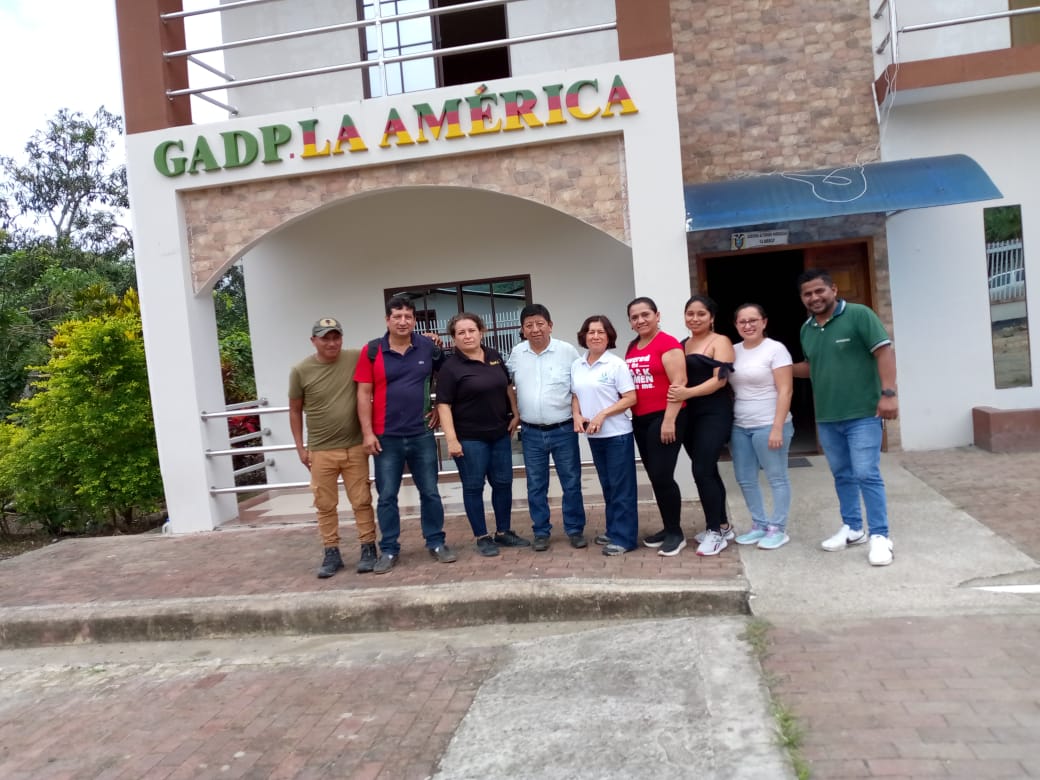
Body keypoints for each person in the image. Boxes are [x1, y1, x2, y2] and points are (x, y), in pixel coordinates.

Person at [794, 268, 898, 567]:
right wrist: (776, 368)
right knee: (842, 474)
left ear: (834, 290)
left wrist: (889, 394)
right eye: (807, 294)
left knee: (866, 473)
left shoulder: (859, 315)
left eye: (819, 291)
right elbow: (813, 367)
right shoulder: (807, 329)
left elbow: (884, 353)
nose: (814, 297)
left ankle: (880, 535)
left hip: (863, 412)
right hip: (828, 416)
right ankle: (853, 528)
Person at [354, 295, 457, 573]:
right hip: (385, 436)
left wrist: (439, 407)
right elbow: (363, 394)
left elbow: (448, 378)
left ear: (414, 320)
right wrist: (367, 433)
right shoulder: (372, 351)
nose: (403, 321)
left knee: (430, 492)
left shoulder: (428, 347)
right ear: (387, 320)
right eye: (397, 316)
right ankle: (389, 549)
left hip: (421, 434)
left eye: (408, 317)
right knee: (387, 495)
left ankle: (436, 542)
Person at [288, 317, 378, 578]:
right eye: (325, 338)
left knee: (362, 500)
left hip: (355, 446)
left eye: (336, 337)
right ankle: (331, 551)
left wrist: (427, 339)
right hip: (321, 449)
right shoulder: (300, 370)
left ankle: (368, 547)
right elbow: (294, 410)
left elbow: (384, 347)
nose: (331, 343)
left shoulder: (355, 357)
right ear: (313, 340)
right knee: (325, 504)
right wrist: (300, 447)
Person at [436, 313, 530, 557]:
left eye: (472, 330)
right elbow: (443, 405)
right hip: (470, 439)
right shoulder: (450, 368)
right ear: (454, 338)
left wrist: (516, 412)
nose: (467, 336)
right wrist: (451, 439)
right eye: (461, 332)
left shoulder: (494, 356)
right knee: (473, 486)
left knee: (503, 483)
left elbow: (507, 386)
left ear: (481, 332)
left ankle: (503, 531)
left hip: (500, 434)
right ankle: (482, 536)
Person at [507, 303, 588, 551]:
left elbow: (578, 387)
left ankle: (575, 529)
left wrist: (578, 414)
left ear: (550, 325)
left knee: (571, 481)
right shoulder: (517, 353)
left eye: (540, 324)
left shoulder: (567, 351)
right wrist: (516, 412)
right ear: (522, 329)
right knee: (535, 484)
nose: (535, 329)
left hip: (563, 429)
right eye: (529, 325)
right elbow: (506, 384)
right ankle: (541, 531)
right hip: (531, 431)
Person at [667, 295, 735, 557]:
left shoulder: (720, 341)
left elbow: (720, 380)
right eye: (690, 314)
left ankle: (714, 532)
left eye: (701, 314)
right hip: (689, 416)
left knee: (701, 469)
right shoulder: (681, 345)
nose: (694, 319)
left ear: (712, 317)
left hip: (714, 413)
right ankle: (723, 525)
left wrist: (688, 393)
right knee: (708, 470)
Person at [624, 297, 689, 556]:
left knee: (663, 475)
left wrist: (669, 420)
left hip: (665, 417)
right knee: (655, 476)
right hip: (641, 420)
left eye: (645, 315)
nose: (640, 320)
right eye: (635, 317)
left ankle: (676, 533)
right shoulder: (633, 346)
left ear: (657, 316)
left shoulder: (668, 343)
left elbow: (679, 383)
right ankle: (668, 527)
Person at [728, 303, 795, 550]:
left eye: (753, 320)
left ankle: (778, 528)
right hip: (740, 425)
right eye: (742, 321)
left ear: (764, 322)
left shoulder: (776, 349)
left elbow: (786, 390)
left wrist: (777, 427)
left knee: (776, 477)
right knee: (745, 478)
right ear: (736, 325)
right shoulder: (733, 351)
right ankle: (759, 524)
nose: (748, 325)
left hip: (769, 423)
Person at [571, 315, 639, 556]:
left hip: (617, 434)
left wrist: (601, 415)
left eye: (601, 332)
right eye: (591, 332)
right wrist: (577, 415)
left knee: (622, 488)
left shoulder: (616, 364)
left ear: (609, 336)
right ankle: (614, 530)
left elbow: (630, 398)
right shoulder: (578, 364)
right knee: (609, 486)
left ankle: (625, 538)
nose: (596, 336)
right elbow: (575, 394)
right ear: (584, 336)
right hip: (595, 437)